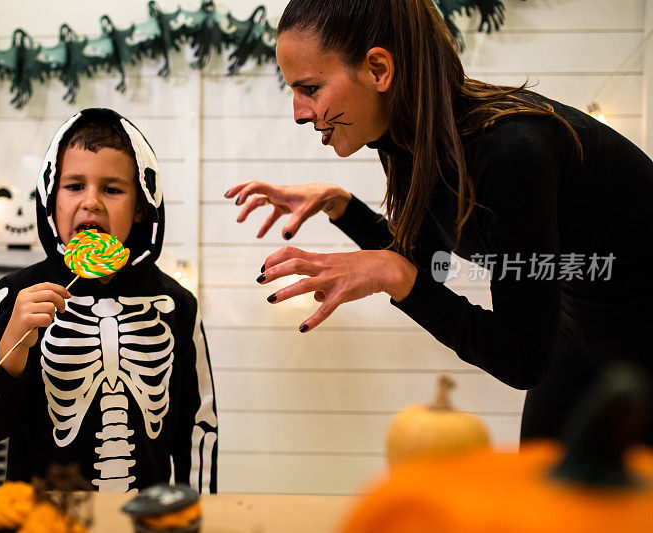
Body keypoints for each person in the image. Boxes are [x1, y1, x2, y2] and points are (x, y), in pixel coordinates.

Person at [226, 0, 653, 444]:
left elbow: (521, 359)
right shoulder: (408, 144)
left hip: (641, 337)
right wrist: (341, 206)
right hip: (576, 327)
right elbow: (429, 266)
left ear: (378, 69)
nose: (298, 112)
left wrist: (395, 275)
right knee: (540, 499)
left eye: (310, 88)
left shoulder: (511, 153)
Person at [0, 108, 218, 492]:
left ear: (141, 207)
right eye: (74, 186)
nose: (92, 202)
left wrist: (198, 513)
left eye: (112, 189)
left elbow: (199, 427)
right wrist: (12, 345)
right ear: (51, 200)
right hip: (43, 517)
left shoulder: (177, 305)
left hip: (144, 516)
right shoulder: (15, 296)